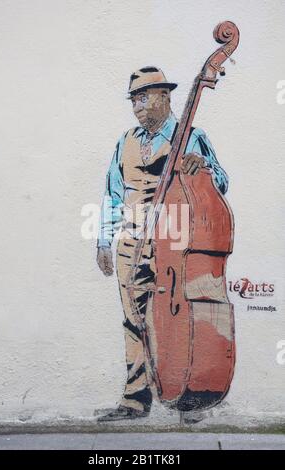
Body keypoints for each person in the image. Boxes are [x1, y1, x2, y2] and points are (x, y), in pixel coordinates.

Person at [96, 67, 228, 421]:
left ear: (166, 97)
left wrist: (201, 169)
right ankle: (135, 400)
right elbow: (112, 192)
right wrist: (104, 242)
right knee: (133, 320)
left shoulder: (191, 135)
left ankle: (185, 397)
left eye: (144, 97)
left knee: (177, 322)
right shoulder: (126, 140)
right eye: (134, 100)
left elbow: (221, 181)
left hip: (175, 244)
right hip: (130, 242)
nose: (138, 106)